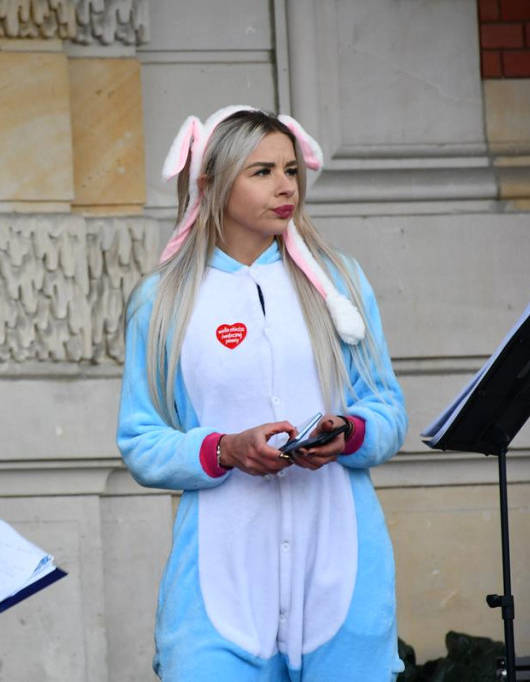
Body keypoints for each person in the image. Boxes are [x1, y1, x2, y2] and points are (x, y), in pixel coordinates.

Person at [116, 105, 408, 680]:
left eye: (291, 170)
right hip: (219, 582)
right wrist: (225, 450)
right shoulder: (163, 299)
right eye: (262, 172)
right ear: (211, 184)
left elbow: (388, 410)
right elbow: (141, 440)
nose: (285, 187)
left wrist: (348, 435)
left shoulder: (340, 283)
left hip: (342, 568)